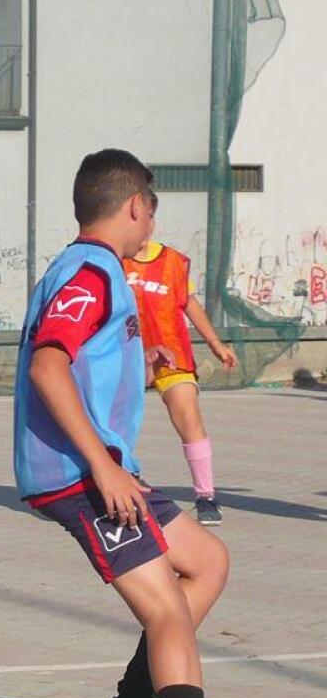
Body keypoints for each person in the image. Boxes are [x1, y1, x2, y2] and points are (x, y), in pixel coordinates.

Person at [13, 148, 284, 698]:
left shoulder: (92, 269)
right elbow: (49, 364)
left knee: (208, 560)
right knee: (166, 610)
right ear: (137, 206)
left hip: (106, 471)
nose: (153, 221)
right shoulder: (93, 270)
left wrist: (142, 352)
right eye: (153, 208)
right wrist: (103, 466)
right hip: (83, 475)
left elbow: (84, 353)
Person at [123, 192, 238, 525]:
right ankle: (112, 481)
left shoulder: (173, 261)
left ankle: (206, 497)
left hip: (173, 356)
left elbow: (188, 302)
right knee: (116, 420)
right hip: (130, 355)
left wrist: (215, 343)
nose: (143, 223)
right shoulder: (114, 260)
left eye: (149, 215)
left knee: (188, 417)